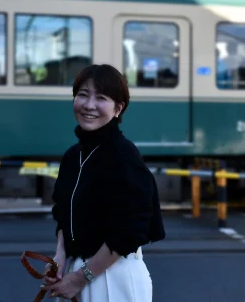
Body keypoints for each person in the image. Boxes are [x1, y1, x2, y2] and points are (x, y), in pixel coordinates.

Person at [41, 64, 166, 301]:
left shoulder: (124, 156)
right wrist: (59, 257)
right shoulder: (72, 156)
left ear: (118, 109)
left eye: (101, 98)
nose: (89, 105)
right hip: (77, 272)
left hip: (113, 277)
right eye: (83, 95)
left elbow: (129, 232)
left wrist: (79, 278)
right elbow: (63, 213)